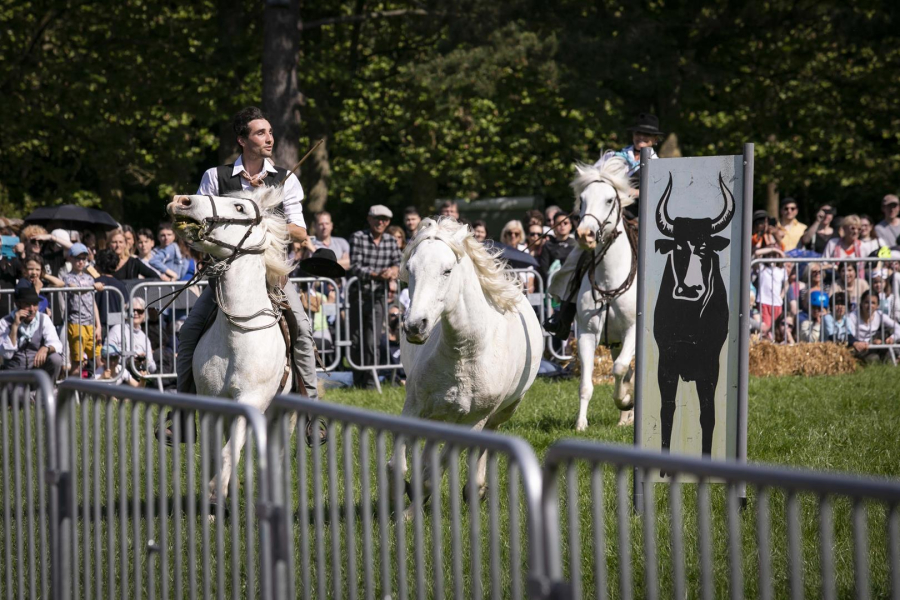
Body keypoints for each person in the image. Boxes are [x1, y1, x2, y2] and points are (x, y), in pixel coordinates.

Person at [179, 106, 319, 400]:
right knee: (189, 331)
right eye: (261, 133)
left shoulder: (285, 178)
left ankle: (311, 410)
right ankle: (180, 411)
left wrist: (260, 213)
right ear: (242, 140)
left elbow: (300, 232)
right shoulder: (215, 177)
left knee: (304, 331)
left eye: (270, 132)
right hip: (224, 277)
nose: (270, 138)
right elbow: (201, 224)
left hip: (271, 277)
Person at [349, 205, 402, 388]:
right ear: (369, 219)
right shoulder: (358, 237)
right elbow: (355, 266)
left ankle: (372, 383)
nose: (381, 222)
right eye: (377, 218)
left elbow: (398, 262)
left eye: (385, 220)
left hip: (378, 296)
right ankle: (358, 381)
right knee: (356, 340)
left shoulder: (390, 240)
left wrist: (393, 271)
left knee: (372, 340)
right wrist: (376, 275)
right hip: (357, 295)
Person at [602, 113, 662, 218]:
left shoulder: (659, 167)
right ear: (633, 135)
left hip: (639, 216)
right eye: (638, 133)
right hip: (609, 210)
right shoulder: (612, 156)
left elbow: (659, 194)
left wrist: (635, 192)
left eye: (647, 134)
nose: (641, 137)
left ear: (655, 139)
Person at [0, 286, 63, 381]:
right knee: (20, 394)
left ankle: (47, 390)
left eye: (35, 304)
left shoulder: (44, 319)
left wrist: (46, 348)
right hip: (15, 373)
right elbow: (7, 354)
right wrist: (15, 326)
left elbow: (57, 344)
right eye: (27, 305)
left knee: (56, 358)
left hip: (37, 371)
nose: (32, 309)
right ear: (18, 305)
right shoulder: (5, 322)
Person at [61, 243, 104, 376]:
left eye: (83, 258)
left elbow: (93, 303)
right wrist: (93, 287)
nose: (80, 262)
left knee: (99, 359)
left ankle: (102, 391)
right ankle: (75, 394)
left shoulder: (89, 278)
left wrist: (99, 326)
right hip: (76, 324)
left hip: (91, 324)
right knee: (77, 363)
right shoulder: (68, 277)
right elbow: (75, 289)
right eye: (77, 258)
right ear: (70, 259)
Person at [103, 297, 156, 386]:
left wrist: (145, 361)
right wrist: (129, 360)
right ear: (126, 312)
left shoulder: (144, 337)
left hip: (139, 376)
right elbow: (106, 355)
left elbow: (153, 367)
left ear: (144, 314)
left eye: (139, 311)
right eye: (132, 310)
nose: (135, 313)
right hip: (119, 376)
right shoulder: (117, 329)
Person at [845, 291, 900, 363]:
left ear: (877, 306)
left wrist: (892, 338)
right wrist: (859, 343)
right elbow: (849, 335)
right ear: (861, 303)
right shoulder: (852, 317)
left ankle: (896, 357)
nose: (870, 306)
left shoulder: (879, 315)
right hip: (860, 347)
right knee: (874, 359)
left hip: (875, 343)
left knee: (890, 331)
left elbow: (898, 327)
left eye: (873, 303)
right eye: (866, 302)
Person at [93, 249, 130, 330]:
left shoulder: (94, 284)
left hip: (98, 325)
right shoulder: (121, 285)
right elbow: (125, 305)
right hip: (117, 326)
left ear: (97, 266)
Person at [538, 213, 576, 285]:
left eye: (565, 223)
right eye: (559, 223)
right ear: (553, 226)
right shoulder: (548, 245)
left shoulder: (576, 245)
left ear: (571, 226)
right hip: (553, 284)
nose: (562, 226)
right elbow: (544, 269)